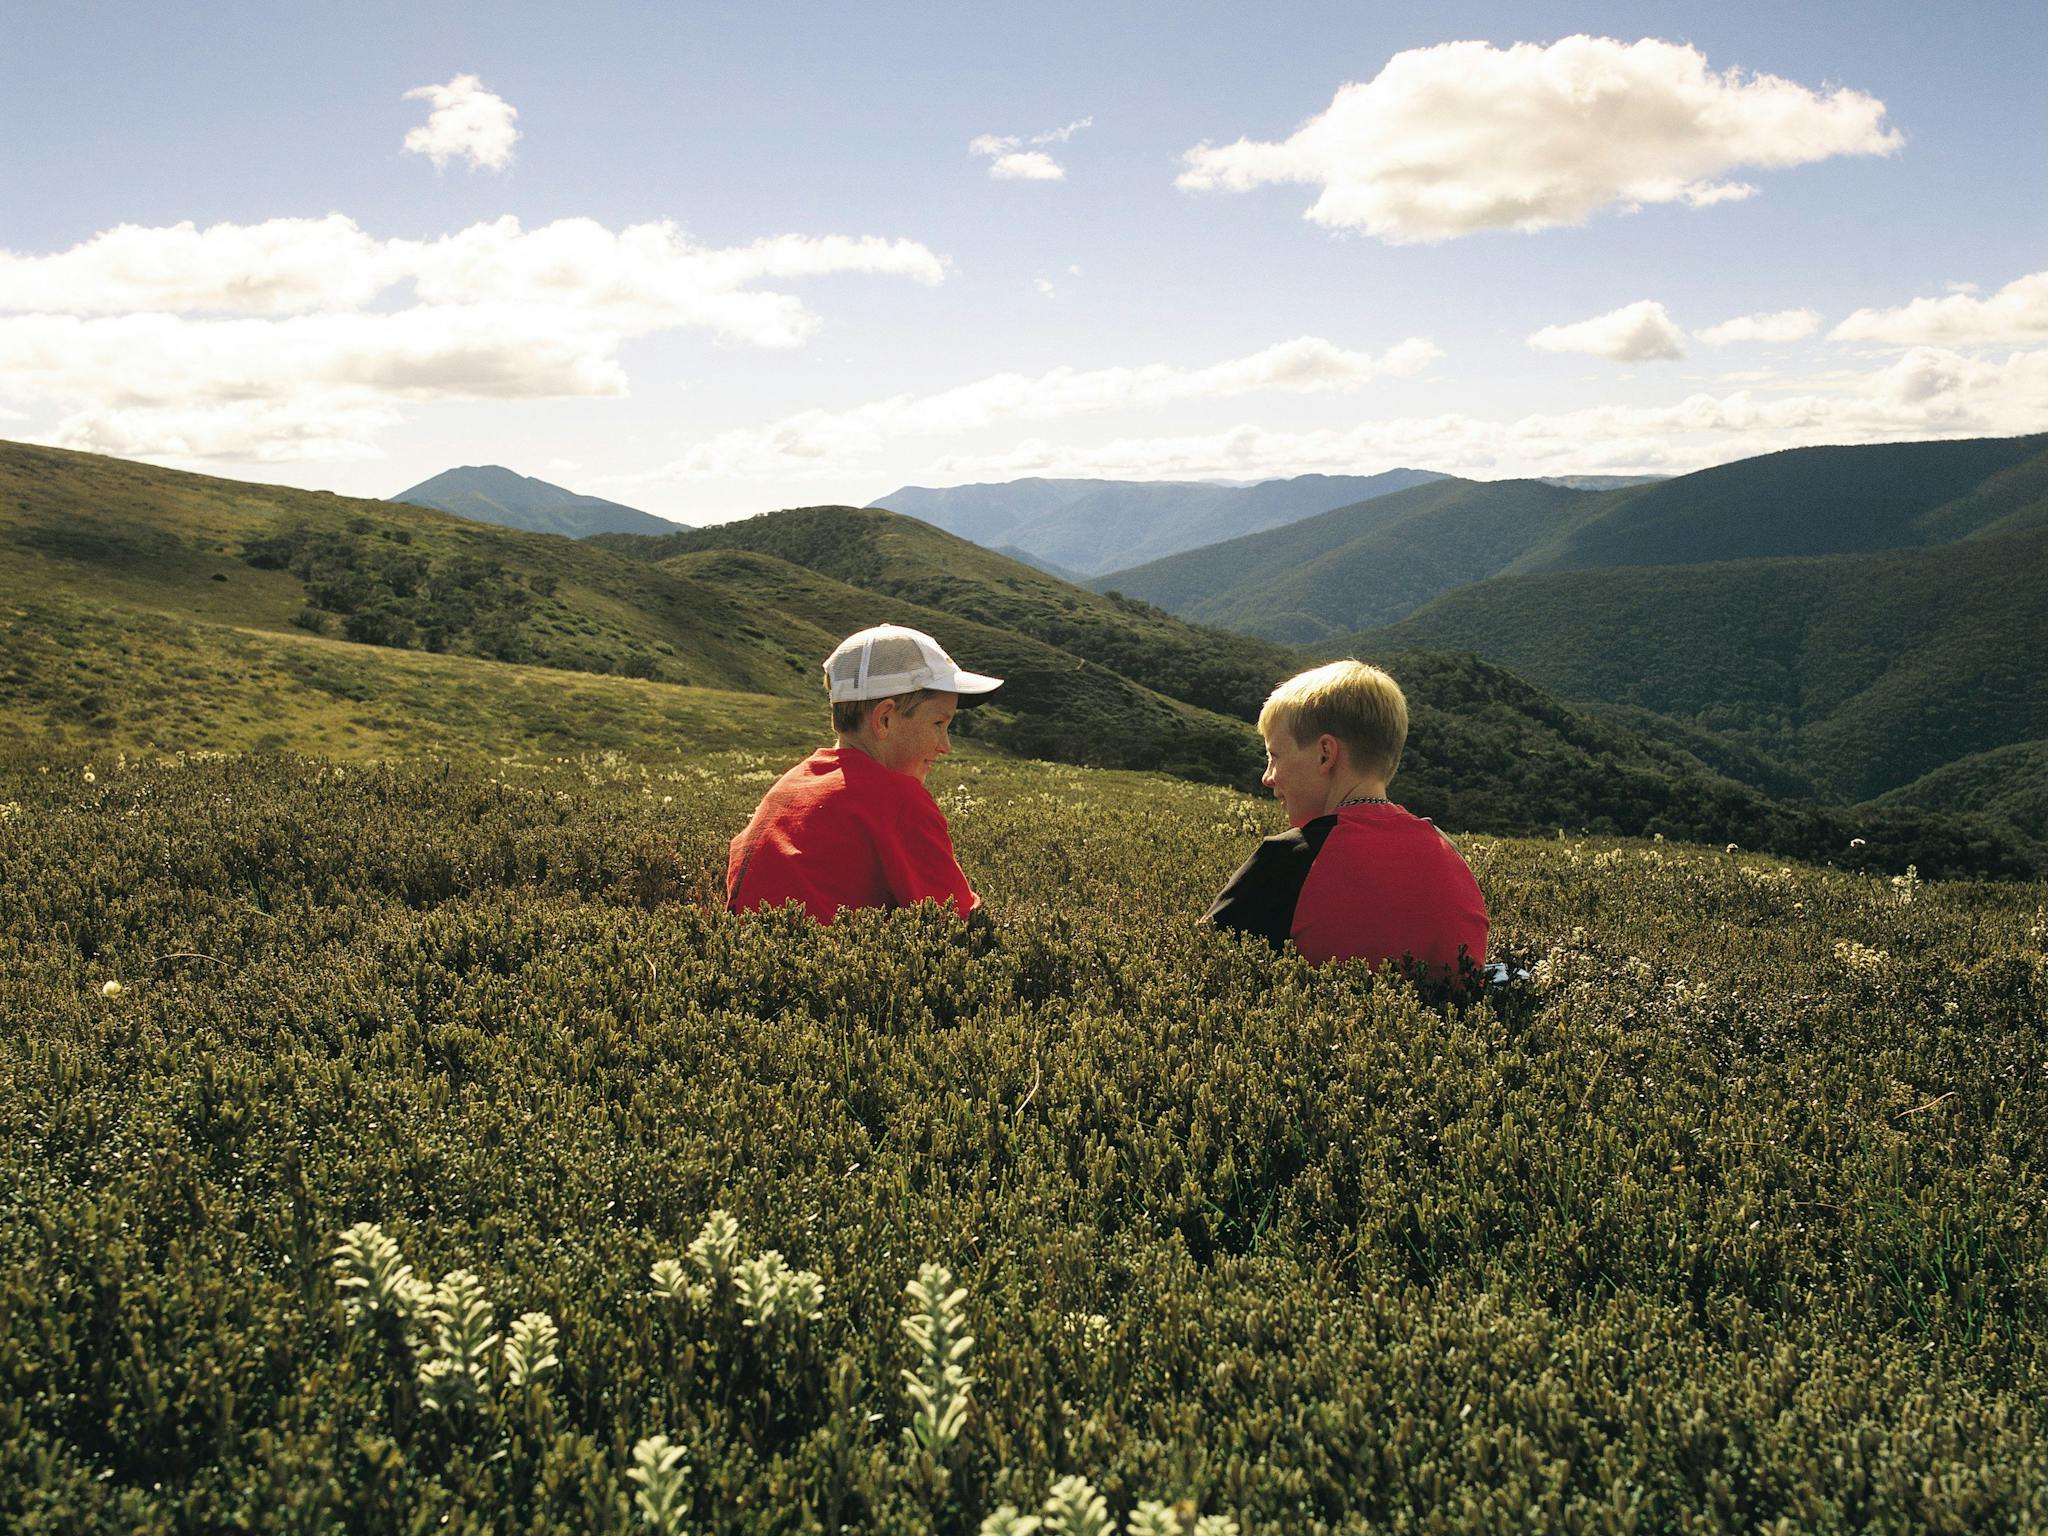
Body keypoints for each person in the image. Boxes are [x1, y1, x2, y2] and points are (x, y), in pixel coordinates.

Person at [1202, 659, 1488, 977]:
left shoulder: (1288, 860)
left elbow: (1195, 960)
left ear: (1326, 754)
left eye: (1274, 756)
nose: (1267, 777)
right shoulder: (1449, 854)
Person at [727, 623, 1002, 923]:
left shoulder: (791, 785)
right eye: (938, 724)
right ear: (884, 719)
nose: (945, 746)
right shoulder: (899, 800)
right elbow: (962, 922)